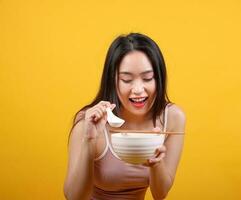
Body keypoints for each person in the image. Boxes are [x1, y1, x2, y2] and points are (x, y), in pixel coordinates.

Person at [64, 33, 186, 200]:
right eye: (126, 80)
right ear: (113, 81)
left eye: (147, 78)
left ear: (159, 79)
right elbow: (73, 197)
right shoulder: (89, 121)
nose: (137, 89)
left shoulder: (173, 118)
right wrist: (89, 141)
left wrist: (156, 164)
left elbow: (160, 194)